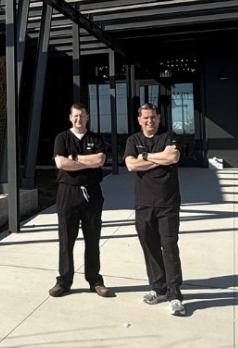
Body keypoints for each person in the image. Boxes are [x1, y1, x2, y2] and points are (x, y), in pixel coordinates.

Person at [124, 102, 185, 316]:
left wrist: (145, 156)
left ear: (158, 118)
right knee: (149, 247)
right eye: (146, 117)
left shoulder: (169, 136)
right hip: (143, 204)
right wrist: (159, 159)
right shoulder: (133, 140)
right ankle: (158, 288)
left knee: (169, 247)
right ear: (139, 120)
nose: (150, 121)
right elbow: (130, 165)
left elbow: (173, 157)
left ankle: (174, 295)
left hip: (167, 203)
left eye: (153, 117)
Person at [49, 103, 112, 298]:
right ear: (70, 118)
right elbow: (61, 163)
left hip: (92, 193)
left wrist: (74, 158)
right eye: (75, 116)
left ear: (88, 117)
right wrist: (87, 162)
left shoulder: (96, 138)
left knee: (92, 239)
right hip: (67, 193)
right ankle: (64, 281)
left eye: (82, 116)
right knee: (66, 239)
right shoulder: (62, 138)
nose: (79, 119)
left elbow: (100, 161)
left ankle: (95, 281)